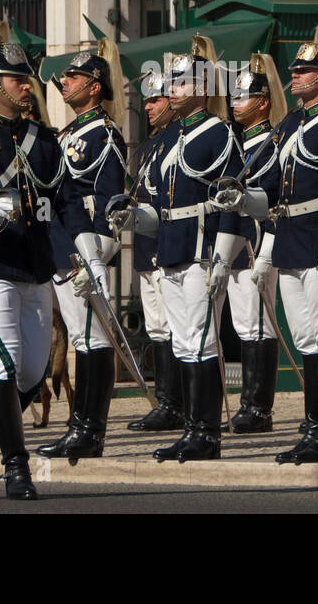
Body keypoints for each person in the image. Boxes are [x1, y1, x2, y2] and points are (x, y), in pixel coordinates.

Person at [219, 24, 318, 464]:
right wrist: (244, 198)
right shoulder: (288, 126)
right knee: (306, 337)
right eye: (295, 71)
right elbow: (269, 191)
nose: (294, 77)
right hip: (289, 240)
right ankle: (312, 426)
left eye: (304, 72)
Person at [0, 22, 87, 500]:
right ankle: (16, 466)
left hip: (35, 265)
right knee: (4, 364)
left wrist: (79, 250)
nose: (27, 86)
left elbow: (64, 201)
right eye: (17, 80)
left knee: (32, 373)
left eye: (27, 79)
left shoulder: (44, 141)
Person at [110, 36, 245, 463]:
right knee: (184, 342)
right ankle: (192, 427)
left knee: (202, 341)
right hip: (170, 248)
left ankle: (206, 433)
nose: (173, 90)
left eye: (182, 83)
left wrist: (223, 256)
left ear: (204, 87)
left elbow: (233, 201)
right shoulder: (168, 138)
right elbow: (159, 207)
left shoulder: (219, 133)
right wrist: (131, 218)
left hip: (203, 250)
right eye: (173, 83)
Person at [40, 40, 128, 460]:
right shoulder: (68, 133)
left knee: (93, 340)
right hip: (60, 248)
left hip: (83, 252)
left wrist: (96, 258)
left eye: (74, 77)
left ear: (94, 87)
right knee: (80, 338)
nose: (66, 83)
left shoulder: (104, 134)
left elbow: (110, 204)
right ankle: (80, 425)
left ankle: (91, 430)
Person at [225, 53, 286, 434]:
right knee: (244, 324)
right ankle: (248, 402)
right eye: (232, 98)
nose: (234, 104)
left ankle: (259, 407)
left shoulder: (269, 143)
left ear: (263, 102)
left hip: (259, 243)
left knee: (258, 324)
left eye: (242, 97)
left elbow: (274, 201)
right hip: (237, 246)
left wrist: (266, 253)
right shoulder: (241, 144)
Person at [126, 70, 184, 432]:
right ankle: (166, 401)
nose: (148, 107)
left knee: (177, 326)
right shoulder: (147, 146)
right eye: (146, 101)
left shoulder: (178, 140)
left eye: (156, 100)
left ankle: (179, 402)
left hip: (167, 245)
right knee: (157, 327)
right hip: (146, 245)